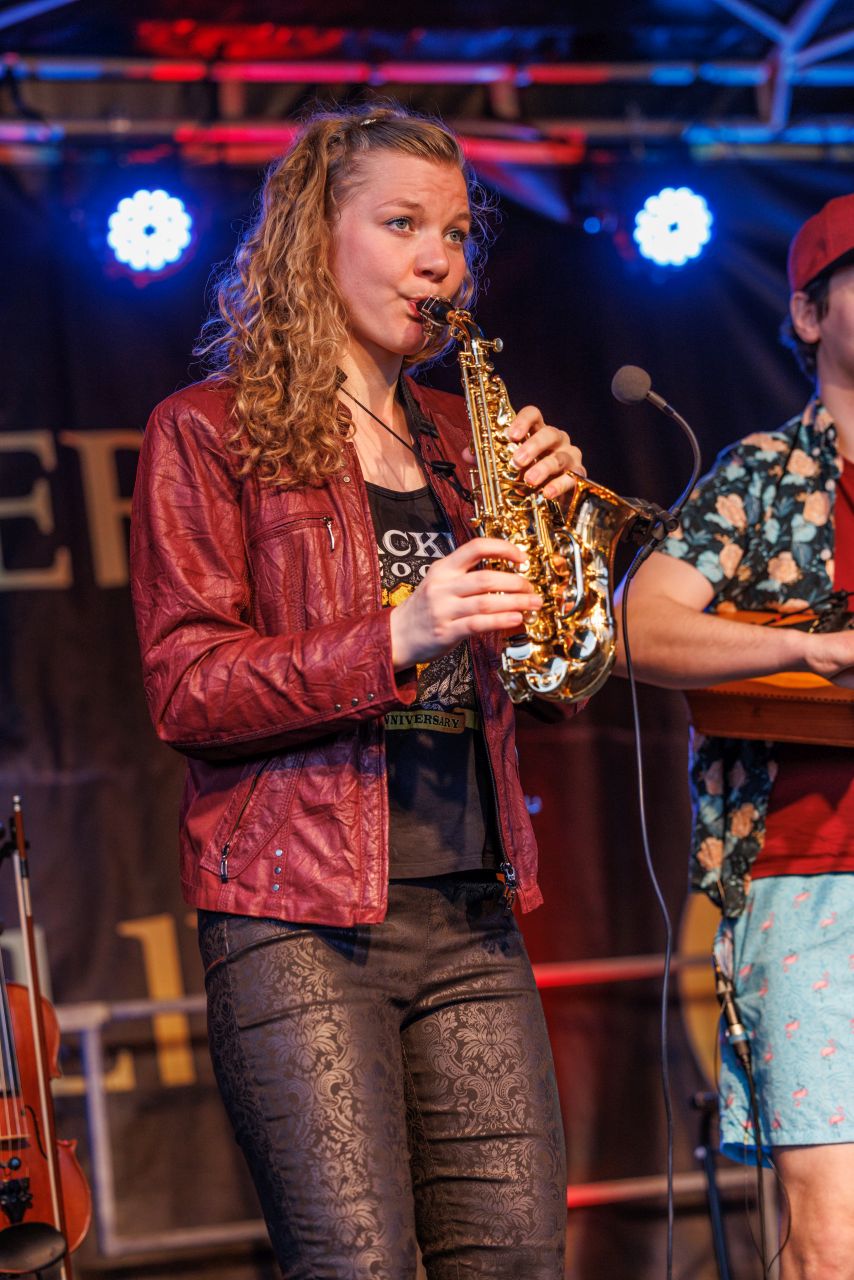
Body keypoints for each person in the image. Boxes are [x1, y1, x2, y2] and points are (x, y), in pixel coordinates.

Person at [130, 103, 584, 1279]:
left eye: (454, 233)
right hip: (296, 920)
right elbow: (187, 687)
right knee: (355, 1265)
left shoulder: (464, 438)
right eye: (400, 225)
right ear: (311, 238)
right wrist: (396, 631)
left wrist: (564, 535)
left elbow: (556, 682)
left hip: (471, 913)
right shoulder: (208, 431)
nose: (439, 261)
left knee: (516, 1259)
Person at [618, 194, 854, 1278]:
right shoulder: (759, 475)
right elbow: (638, 626)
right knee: (831, 1240)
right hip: (811, 880)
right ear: (806, 315)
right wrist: (811, 650)